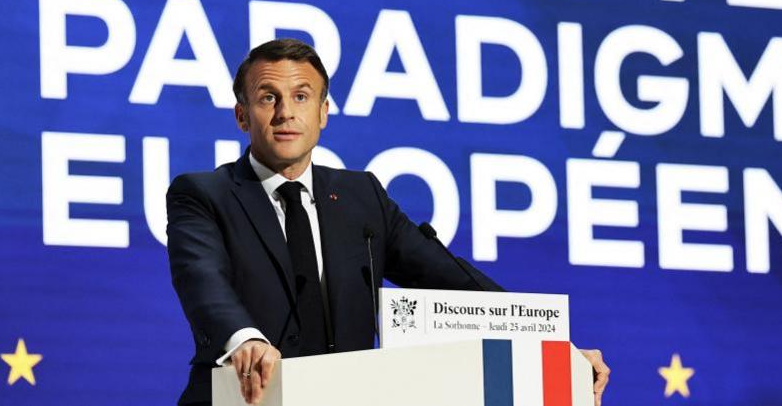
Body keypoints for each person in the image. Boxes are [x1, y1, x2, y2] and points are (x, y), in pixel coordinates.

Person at [166, 39, 610, 405]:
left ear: (322, 113)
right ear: (242, 115)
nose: (286, 112)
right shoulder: (204, 194)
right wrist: (243, 339)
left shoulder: (362, 198)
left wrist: (552, 346)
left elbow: (453, 283)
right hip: (241, 397)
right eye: (268, 97)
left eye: (302, 96)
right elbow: (203, 282)